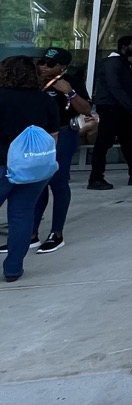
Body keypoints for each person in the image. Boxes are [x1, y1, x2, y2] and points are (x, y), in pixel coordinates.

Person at [0, 55, 61, 282]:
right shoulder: (45, 100)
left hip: (2, 165)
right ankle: (13, 269)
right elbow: (53, 137)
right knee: (22, 216)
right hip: (33, 168)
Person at [30, 48, 93, 254]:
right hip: (35, 136)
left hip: (63, 134)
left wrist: (69, 92)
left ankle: (56, 233)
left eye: (50, 64)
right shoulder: (32, 80)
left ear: (62, 67)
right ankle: (31, 233)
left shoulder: (70, 82)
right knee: (35, 183)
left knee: (57, 181)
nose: (44, 67)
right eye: (42, 62)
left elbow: (86, 110)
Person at [87, 35, 132, 190]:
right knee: (104, 142)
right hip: (110, 107)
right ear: (124, 47)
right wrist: (131, 108)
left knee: (128, 141)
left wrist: (128, 107)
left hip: (119, 108)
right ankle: (95, 178)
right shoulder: (113, 62)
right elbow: (114, 87)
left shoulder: (123, 62)